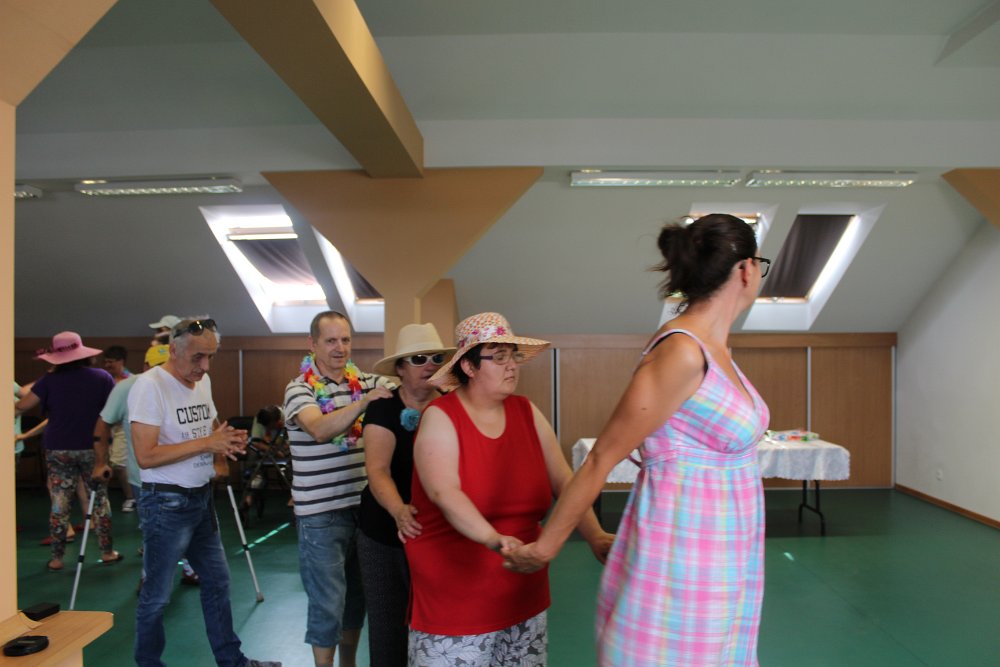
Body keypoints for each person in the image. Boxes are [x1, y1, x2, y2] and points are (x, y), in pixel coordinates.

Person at [504, 214, 772, 667]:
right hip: (682, 553)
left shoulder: (714, 348)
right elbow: (602, 457)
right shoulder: (682, 351)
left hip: (723, 553)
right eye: (760, 264)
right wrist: (546, 547)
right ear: (746, 270)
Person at [405, 312, 613, 667]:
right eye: (499, 357)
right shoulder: (441, 416)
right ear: (469, 367)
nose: (512, 365)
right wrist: (494, 540)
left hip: (523, 594)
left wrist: (595, 536)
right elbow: (445, 493)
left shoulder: (526, 411)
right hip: (456, 599)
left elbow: (565, 482)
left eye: (513, 356)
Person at [129, 318, 280, 667]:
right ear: (173, 350)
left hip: (200, 498)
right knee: (157, 595)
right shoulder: (149, 387)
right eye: (198, 357)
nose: (206, 366)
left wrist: (224, 446)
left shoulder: (202, 381)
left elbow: (210, 424)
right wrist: (207, 444)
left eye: (211, 356)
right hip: (165, 502)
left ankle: (232, 661)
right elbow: (145, 456)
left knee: (217, 582)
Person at [283, 310, 394, 667]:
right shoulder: (299, 389)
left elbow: (407, 385)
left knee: (355, 601)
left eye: (345, 340)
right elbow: (318, 429)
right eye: (330, 340)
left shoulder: (364, 380)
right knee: (328, 603)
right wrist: (363, 403)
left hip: (363, 510)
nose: (340, 348)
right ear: (312, 343)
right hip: (320, 515)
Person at [356, 323, 455, 667]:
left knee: (437, 626)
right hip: (383, 533)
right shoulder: (383, 408)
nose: (430, 365)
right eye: (419, 359)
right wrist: (399, 510)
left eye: (436, 358)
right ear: (400, 368)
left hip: (437, 534)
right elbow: (377, 470)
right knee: (388, 629)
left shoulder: (451, 406)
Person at [14, 331, 119, 571]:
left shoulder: (49, 381)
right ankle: (107, 552)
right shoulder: (102, 377)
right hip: (94, 446)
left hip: (58, 447)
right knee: (99, 500)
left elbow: (22, 406)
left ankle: (57, 558)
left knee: (60, 502)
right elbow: (113, 410)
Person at [238, 404, 289, 521]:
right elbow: (256, 442)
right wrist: (272, 451)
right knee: (254, 460)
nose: (268, 428)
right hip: (265, 450)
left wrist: (281, 450)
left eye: (270, 426)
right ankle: (249, 497)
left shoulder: (289, 417)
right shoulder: (260, 418)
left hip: (285, 449)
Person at [103, 345, 135, 511]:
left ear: (121, 361)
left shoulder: (131, 380)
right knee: (106, 461)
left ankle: (131, 497)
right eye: (106, 362)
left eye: (111, 362)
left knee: (119, 463)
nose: (107, 365)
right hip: (106, 425)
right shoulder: (104, 379)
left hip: (123, 425)